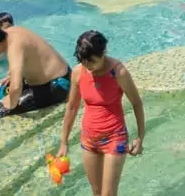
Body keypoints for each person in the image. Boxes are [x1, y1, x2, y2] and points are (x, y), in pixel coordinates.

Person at [56, 30, 145, 195]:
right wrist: (64, 142)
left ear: (103, 53)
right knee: (96, 192)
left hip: (114, 137)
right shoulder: (78, 72)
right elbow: (72, 107)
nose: (88, 66)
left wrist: (140, 137)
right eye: (83, 61)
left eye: (92, 61)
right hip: (89, 140)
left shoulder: (118, 72)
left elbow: (137, 103)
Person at [0, 22, 72, 117]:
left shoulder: (14, 48)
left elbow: (16, 88)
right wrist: (11, 76)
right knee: (4, 90)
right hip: (58, 76)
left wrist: (10, 104)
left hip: (59, 85)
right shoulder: (10, 33)